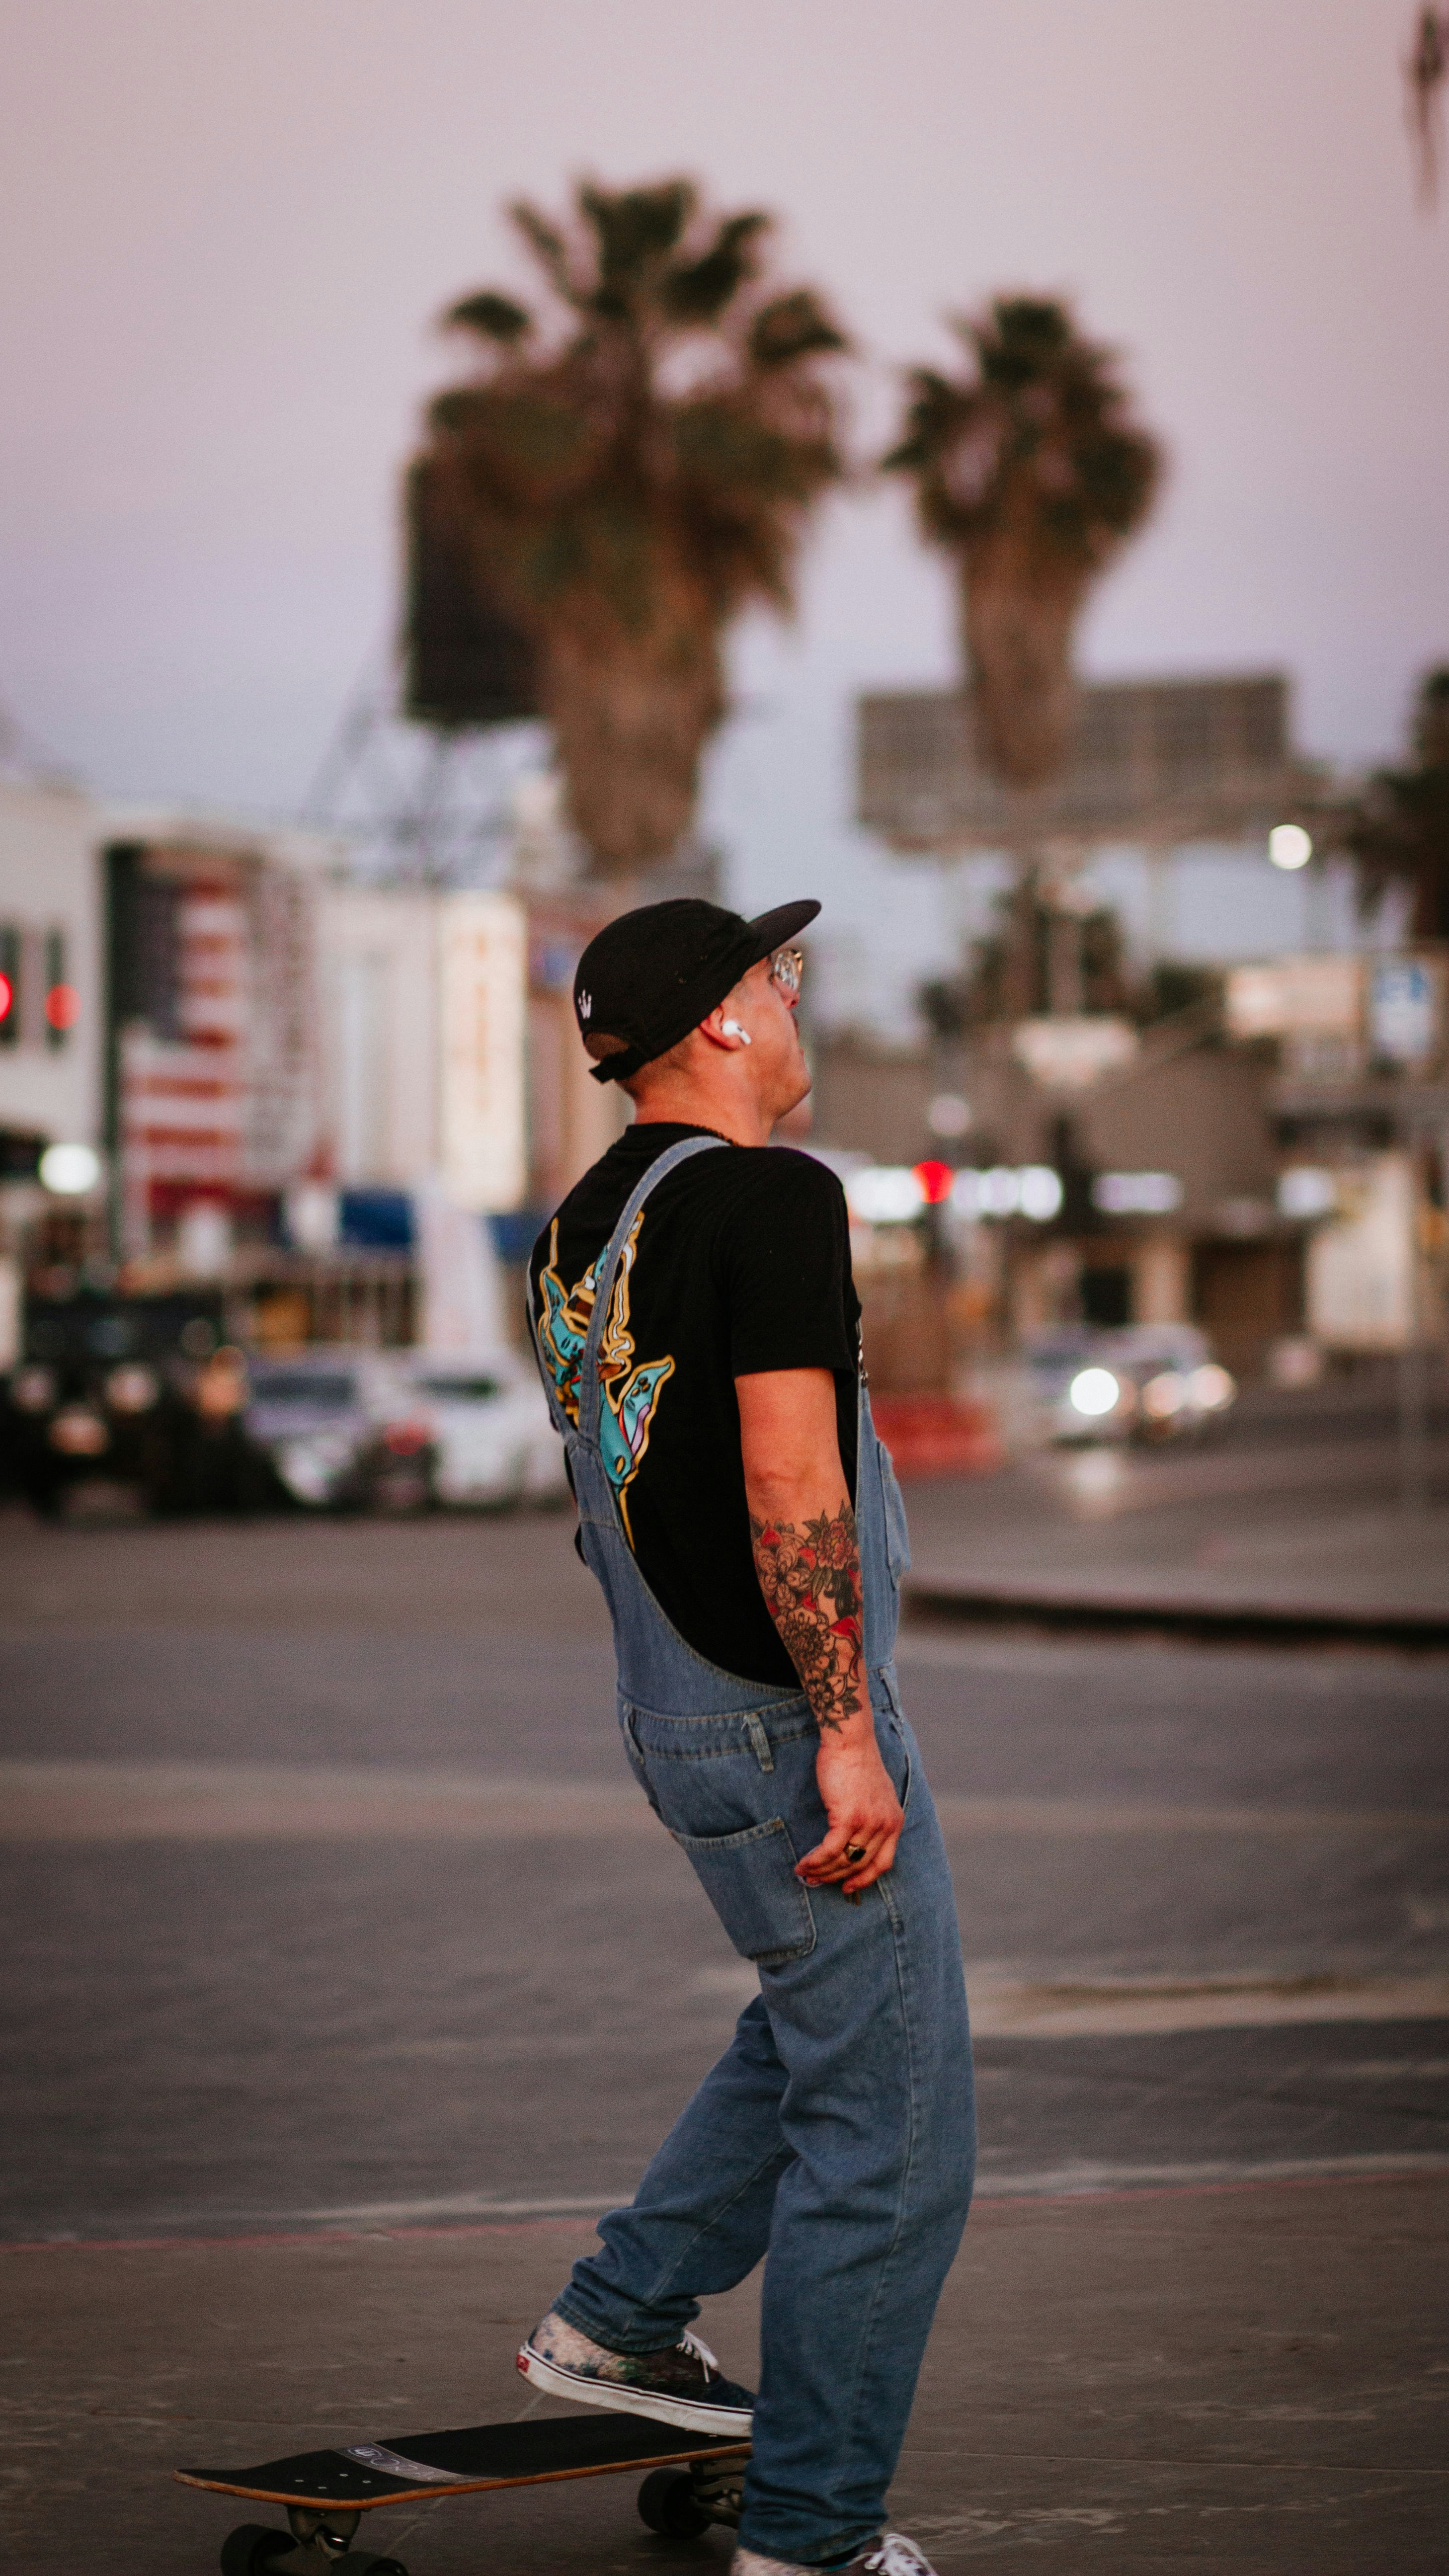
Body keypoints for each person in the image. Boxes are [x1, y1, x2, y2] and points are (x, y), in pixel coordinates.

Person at [522, 896, 975, 2576]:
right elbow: (789, 1482)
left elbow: (618, 1492)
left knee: (812, 2038)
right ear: (716, 1025)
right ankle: (811, 2536)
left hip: (675, 1706)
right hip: (790, 1718)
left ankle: (620, 2321)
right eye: (771, 976)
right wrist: (845, 1734)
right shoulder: (773, 1201)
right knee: (900, 2141)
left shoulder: (583, 1225)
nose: (792, 999)